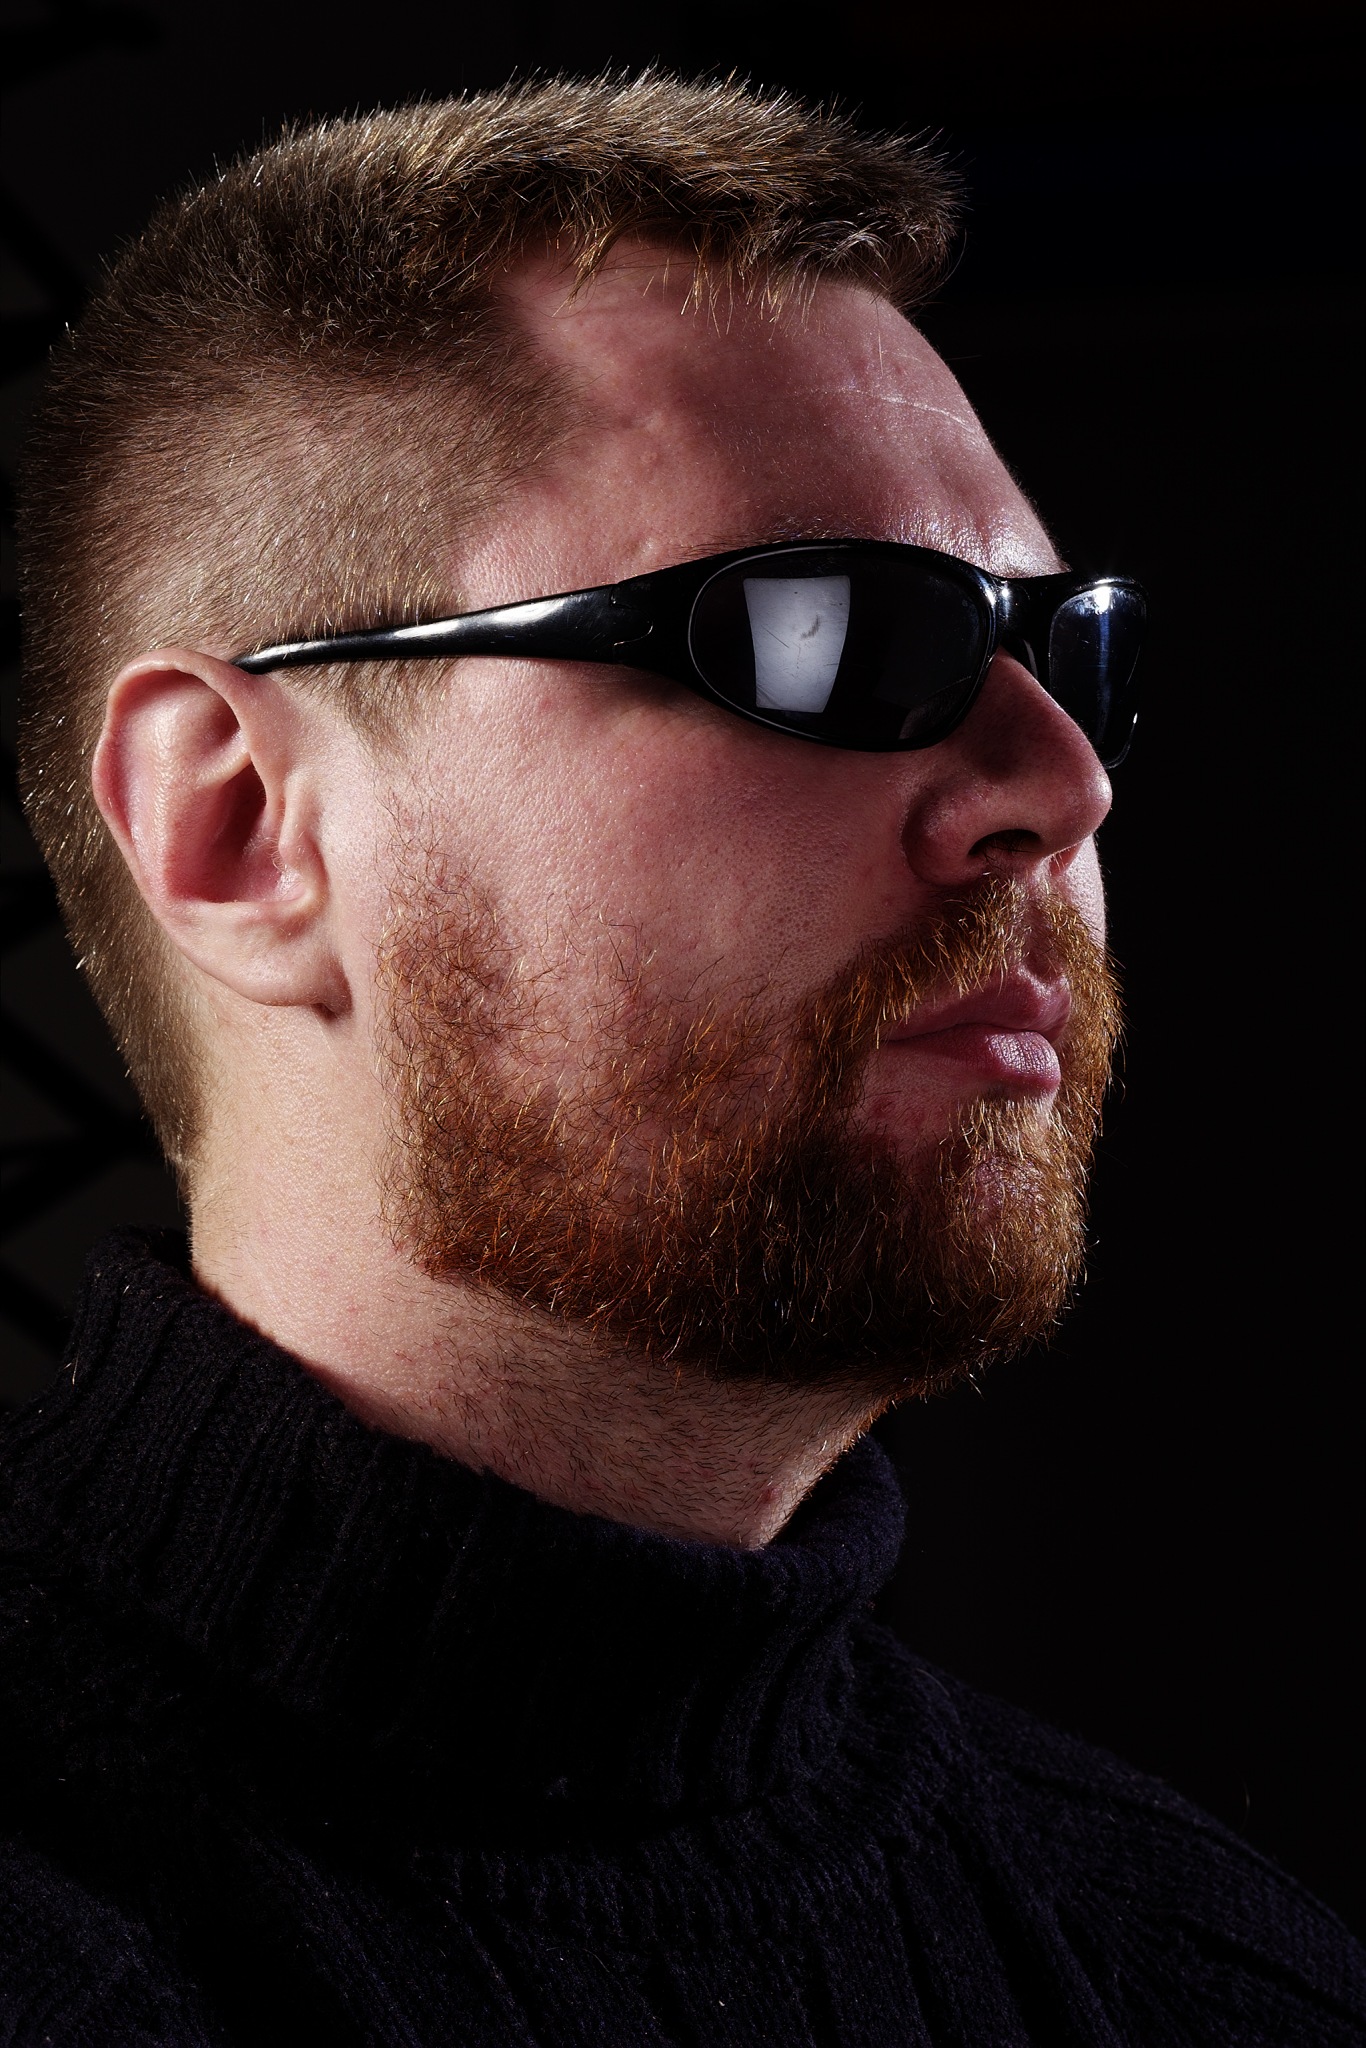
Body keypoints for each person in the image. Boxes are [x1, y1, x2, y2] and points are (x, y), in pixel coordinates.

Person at [2, 73, 1360, 2047]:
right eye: (824, 634)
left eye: (1064, 650)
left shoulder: (1197, 1974)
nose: (1055, 786)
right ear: (238, 826)